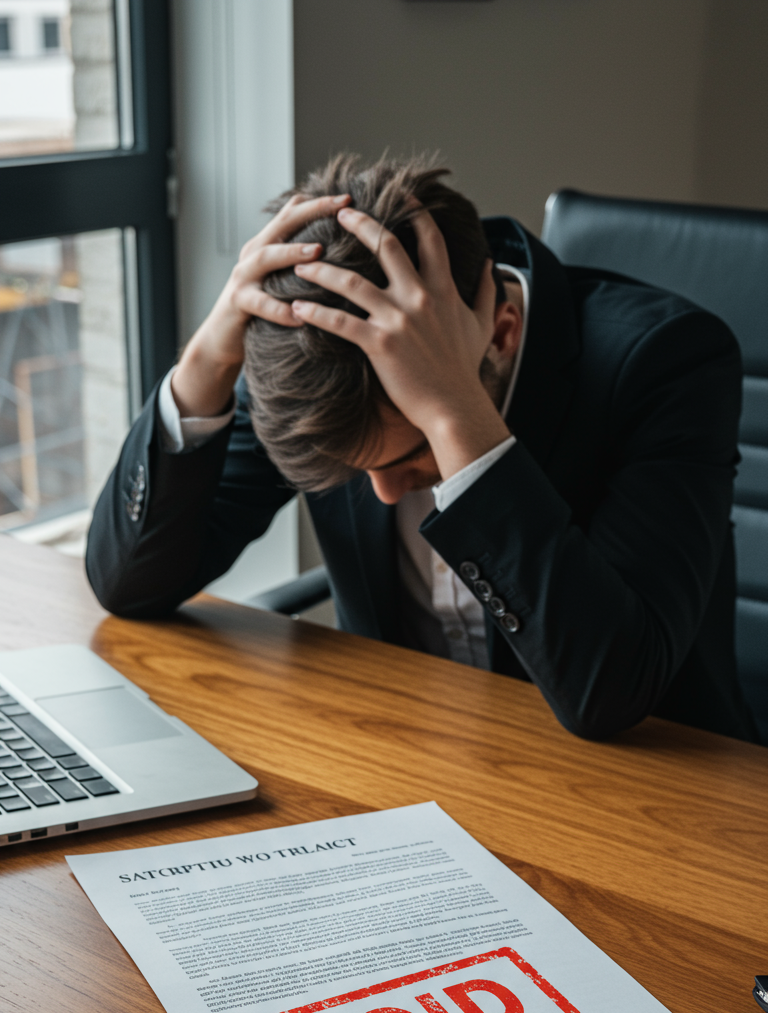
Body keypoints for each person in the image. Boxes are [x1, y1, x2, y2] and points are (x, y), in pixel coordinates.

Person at [86, 154, 757, 743]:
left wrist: (454, 416)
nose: (381, 492)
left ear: (501, 334)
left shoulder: (667, 364)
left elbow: (608, 693)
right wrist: (206, 360)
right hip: (406, 750)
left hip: (648, 789)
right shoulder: (320, 357)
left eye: (409, 457)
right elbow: (130, 586)